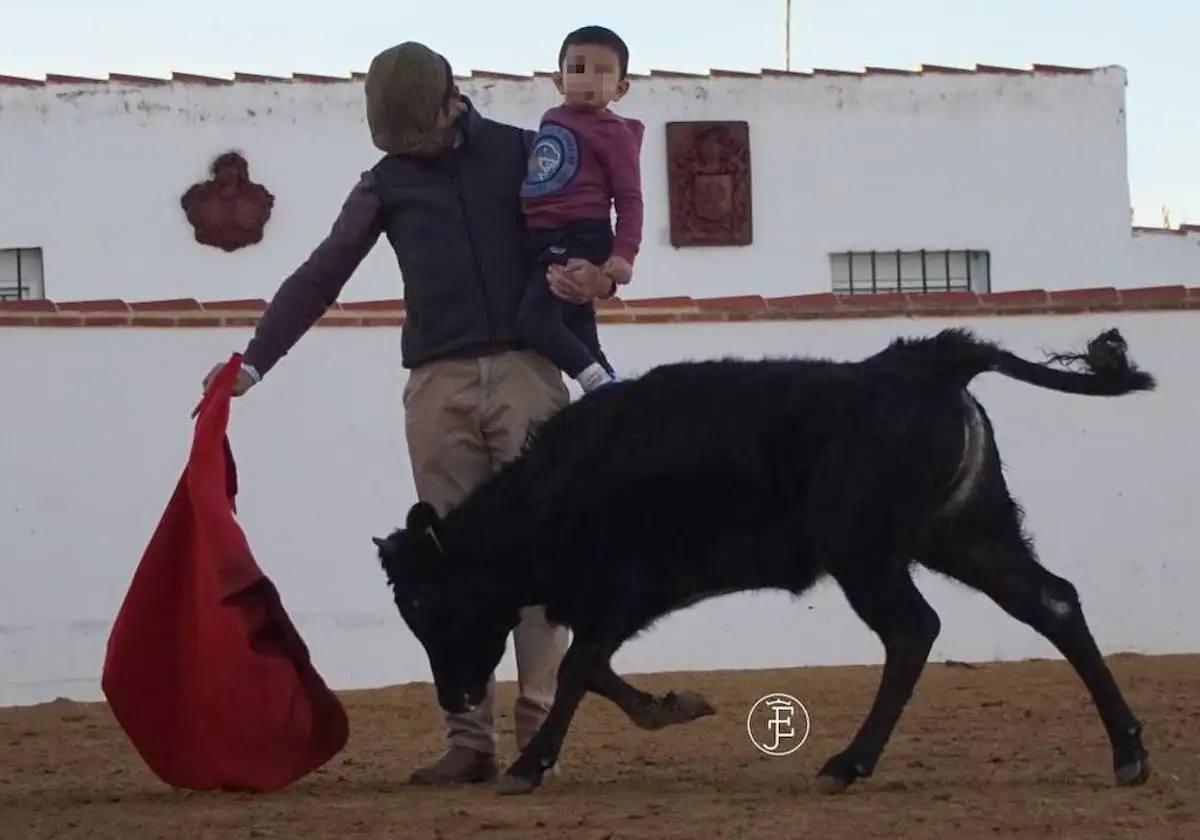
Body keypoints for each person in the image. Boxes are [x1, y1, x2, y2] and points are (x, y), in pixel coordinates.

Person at [200, 41, 618, 785]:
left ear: (454, 99)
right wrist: (255, 361)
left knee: (544, 553)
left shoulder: (528, 153)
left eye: (418, 134)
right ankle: (470, 740)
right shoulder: (387, 182)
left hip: (528, 369)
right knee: (451, 565)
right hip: (436, 384)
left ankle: (538, 734)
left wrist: (603, 279)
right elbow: (322, 273)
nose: (412, 151)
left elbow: (585, 234)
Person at [515, 25, 644, 393]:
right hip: (543, 236)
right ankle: (614, 393)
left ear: (621, 88)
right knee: (578, 326)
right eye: (579, 68)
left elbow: (630, 199)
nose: (589, 79)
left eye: (603, 72)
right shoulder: (551, 119)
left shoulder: (614, 133)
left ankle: (594, 382)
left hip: (580, 234)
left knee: (534, 321)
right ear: (559, 80)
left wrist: (623, 255)